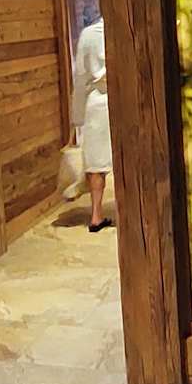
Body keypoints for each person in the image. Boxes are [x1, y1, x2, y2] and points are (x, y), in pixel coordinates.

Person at [73, 18, 113, 231]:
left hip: (96, 103)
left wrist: (77, 117)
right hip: (124, 100)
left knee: (96, 164)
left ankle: (96, 215)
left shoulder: (88, 34)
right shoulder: (126, 30)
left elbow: (80, 77)